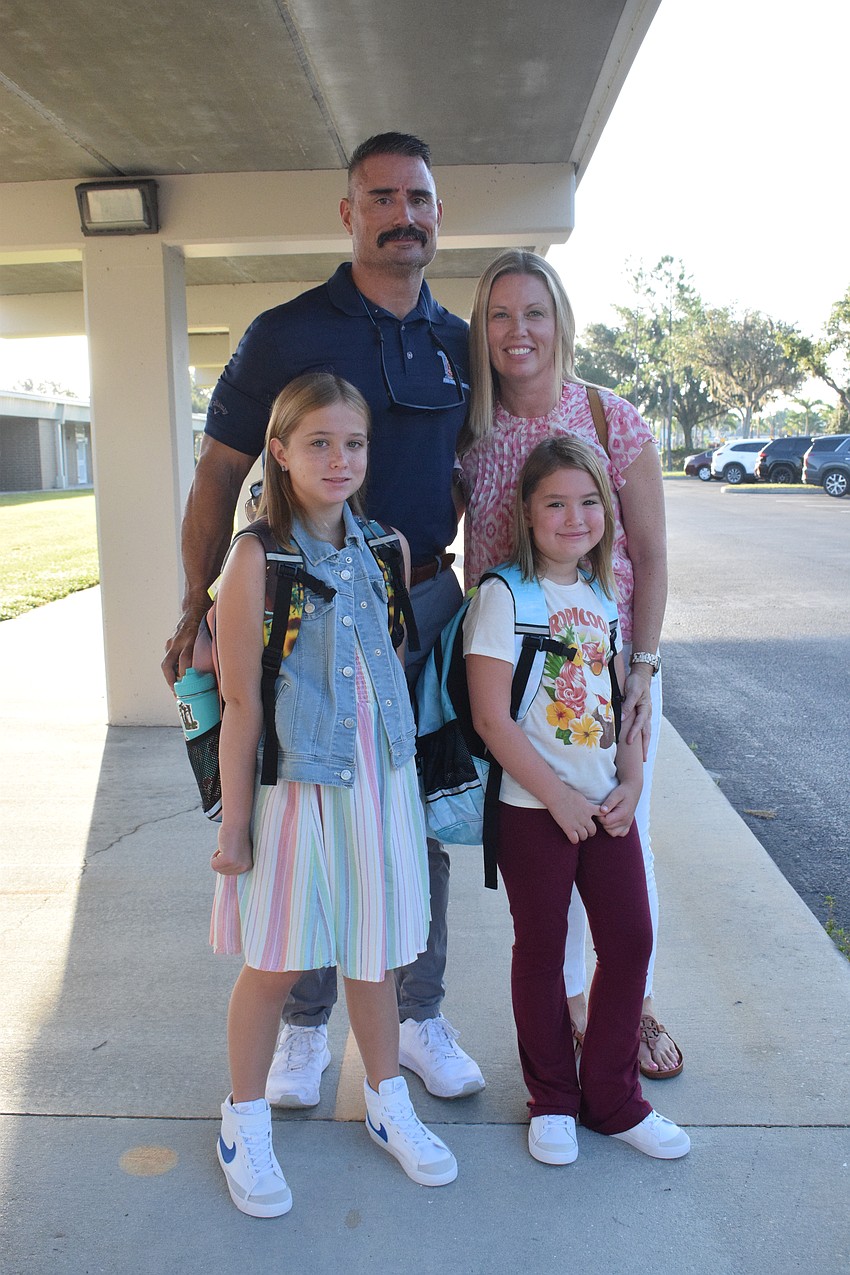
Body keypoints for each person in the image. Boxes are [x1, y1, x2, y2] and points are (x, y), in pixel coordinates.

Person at [163, 133, 484, 1105]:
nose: (404, 215)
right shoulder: (283, 331)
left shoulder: (457, 342)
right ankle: (304, 1029)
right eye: (381, 197)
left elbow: (486, 465)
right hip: (300, 605)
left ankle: (416, 1013)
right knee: (298, 809)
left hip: (420, 602)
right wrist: (197, 606)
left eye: (419, 198)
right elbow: (219, 472)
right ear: (348, 213)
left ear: (437, 212)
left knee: (414, 816)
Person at [210, 373, 458, 1217]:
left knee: (374, 950)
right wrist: (235, 826)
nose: (339, 458)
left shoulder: (383, 546)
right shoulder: (255, 559)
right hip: (293, 790)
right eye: (318, 442)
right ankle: (243, 1122)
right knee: (276, 958)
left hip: (377, 783)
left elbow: (382, 666)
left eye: (353, 443)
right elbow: (242, 702)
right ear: (279, 451)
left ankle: (388, 1103)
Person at [459, 249, 682, 1079]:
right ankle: (564, 1024)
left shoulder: (610, 415)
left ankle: (634, 1002)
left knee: (626, 830)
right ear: (483, 332)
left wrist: (643, 672)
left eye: (535, 312)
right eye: (501, 316)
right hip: (515, 685)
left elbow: (651, 558)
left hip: (609, 669)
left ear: (561, 322)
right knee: (542, 857)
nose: (520, 332)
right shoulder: (471, 436)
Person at [464, 435, 689, 1162]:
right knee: (542, 947)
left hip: (603, 805)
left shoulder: (601, 596)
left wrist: (630, 781)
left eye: (590, 501)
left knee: (629, 941)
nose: (575, 516)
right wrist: (557, 797)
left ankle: (614, 1099)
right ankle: (553, 1099)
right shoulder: (504, 596)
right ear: (527, 514)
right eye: (556, 502)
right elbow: (491, 717)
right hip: (535, 812)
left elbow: (622, 699)